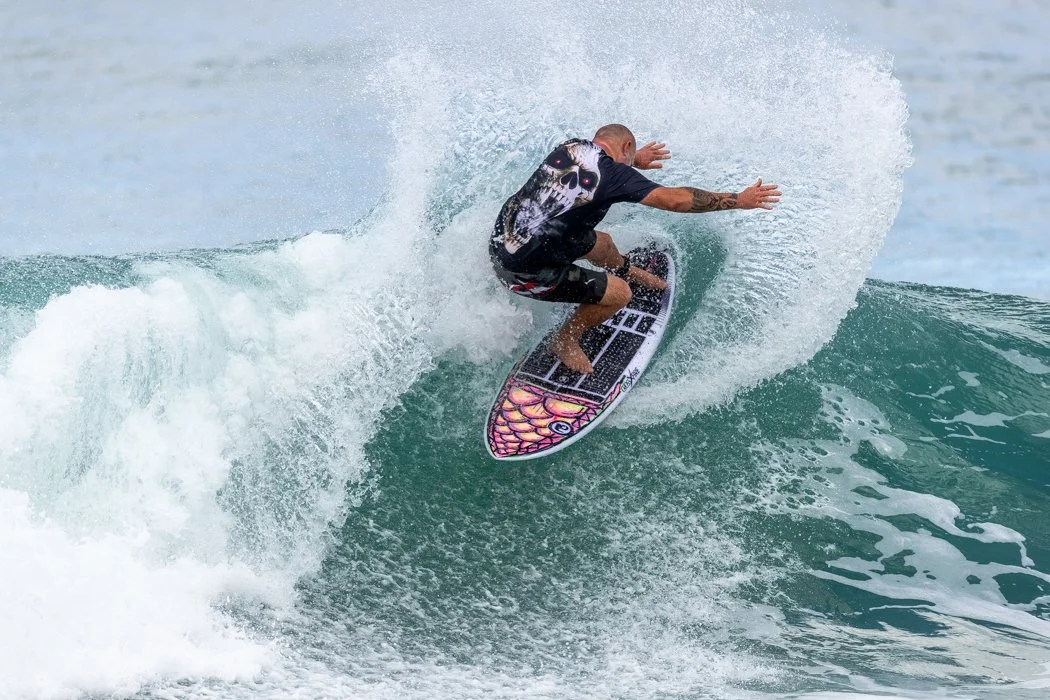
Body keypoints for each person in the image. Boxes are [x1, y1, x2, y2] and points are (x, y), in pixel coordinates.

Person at [489, 123, 781, 374]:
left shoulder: (571, 147)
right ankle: (564, 339)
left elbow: (605, 162)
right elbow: (676, 200)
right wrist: (738, 200)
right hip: (522, 272)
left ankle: (626, 269)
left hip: (505, 241)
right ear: (626, 146)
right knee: (620, 294)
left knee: (603, 243)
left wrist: (632, 160)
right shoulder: (613, 176)